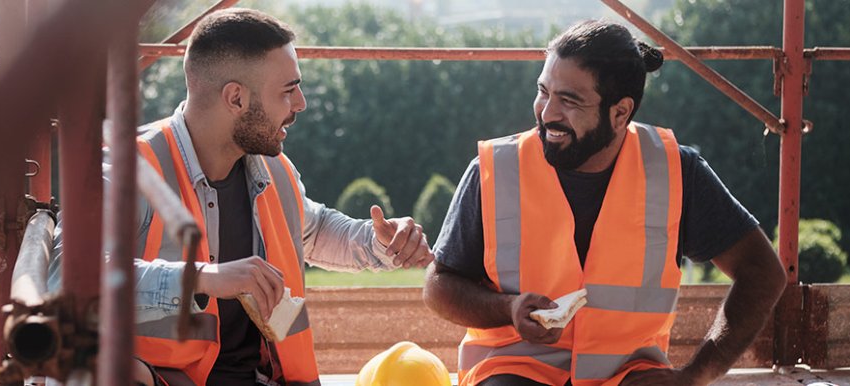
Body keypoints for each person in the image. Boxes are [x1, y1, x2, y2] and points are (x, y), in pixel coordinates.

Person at [48, 8, 434, 386]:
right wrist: (203, 279)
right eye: (288, 91)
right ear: (235, 99)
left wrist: (382, 242)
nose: (300, 104)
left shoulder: (273, 170)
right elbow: (66, 276)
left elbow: (313, 230)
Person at [423, 20, 786, 386]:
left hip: (626, 374)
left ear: (620, 113)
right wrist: (508, 308)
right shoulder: (495, 168)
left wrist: (695, 375)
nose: (548, 113)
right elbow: (438, 285)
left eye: (569, 100)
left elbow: (763, 273)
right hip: (515, 367)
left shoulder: (677, 171)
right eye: (543, 91)